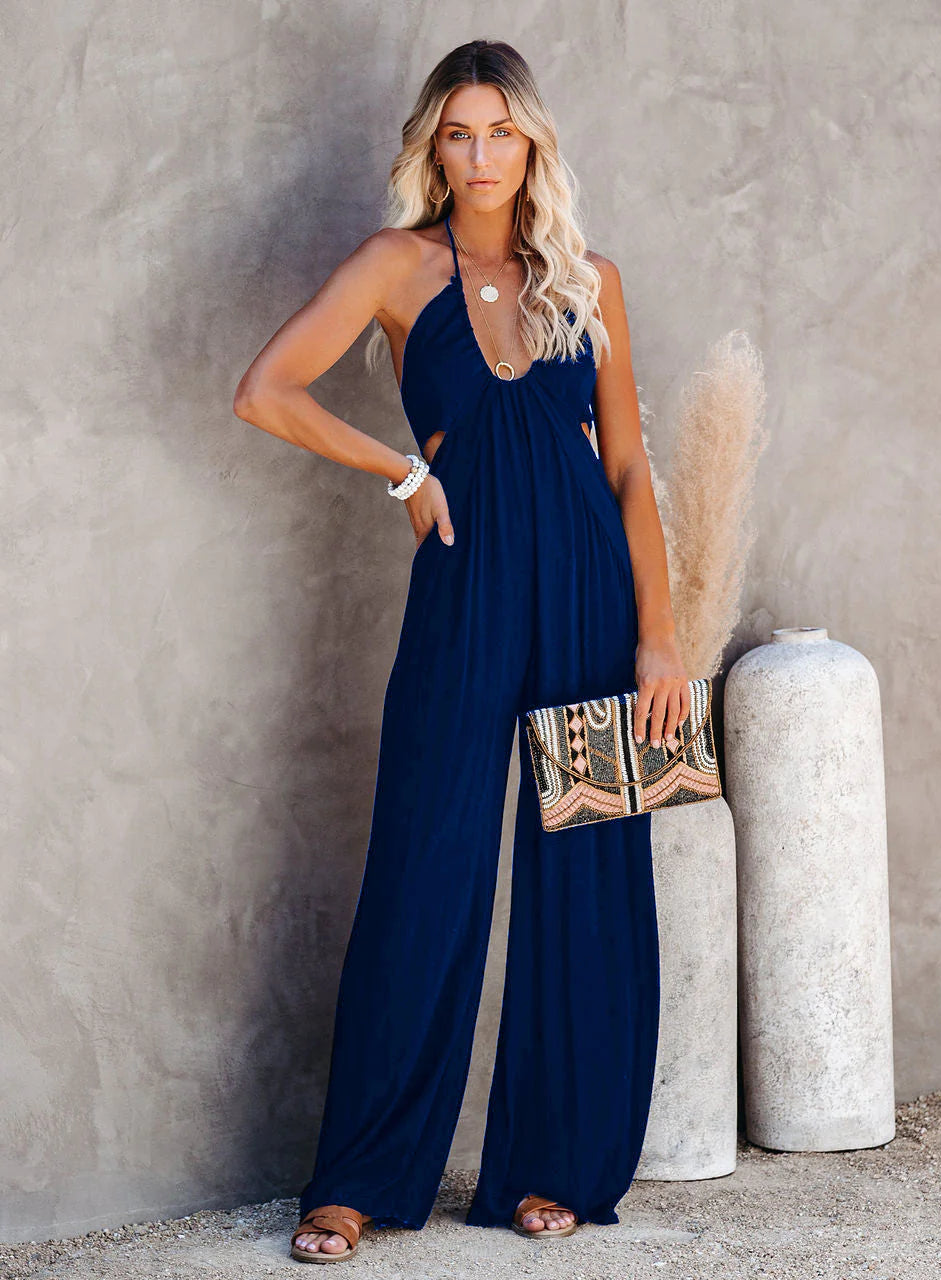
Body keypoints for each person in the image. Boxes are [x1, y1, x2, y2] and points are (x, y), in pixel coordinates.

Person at [233, 38, 691, 1263]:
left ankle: (557, 1165)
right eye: (458, 132)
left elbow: (631, 466)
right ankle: (361, 1176)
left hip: (594, 599)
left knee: (587, 874)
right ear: (432, 146)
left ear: (531, 141)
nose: (481, 155)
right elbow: (266, 389)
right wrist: (401, 472)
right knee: (425, 867)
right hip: (465, 589)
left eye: (501, 131)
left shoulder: (588, 279)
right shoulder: (394, 265)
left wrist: (661, 635)